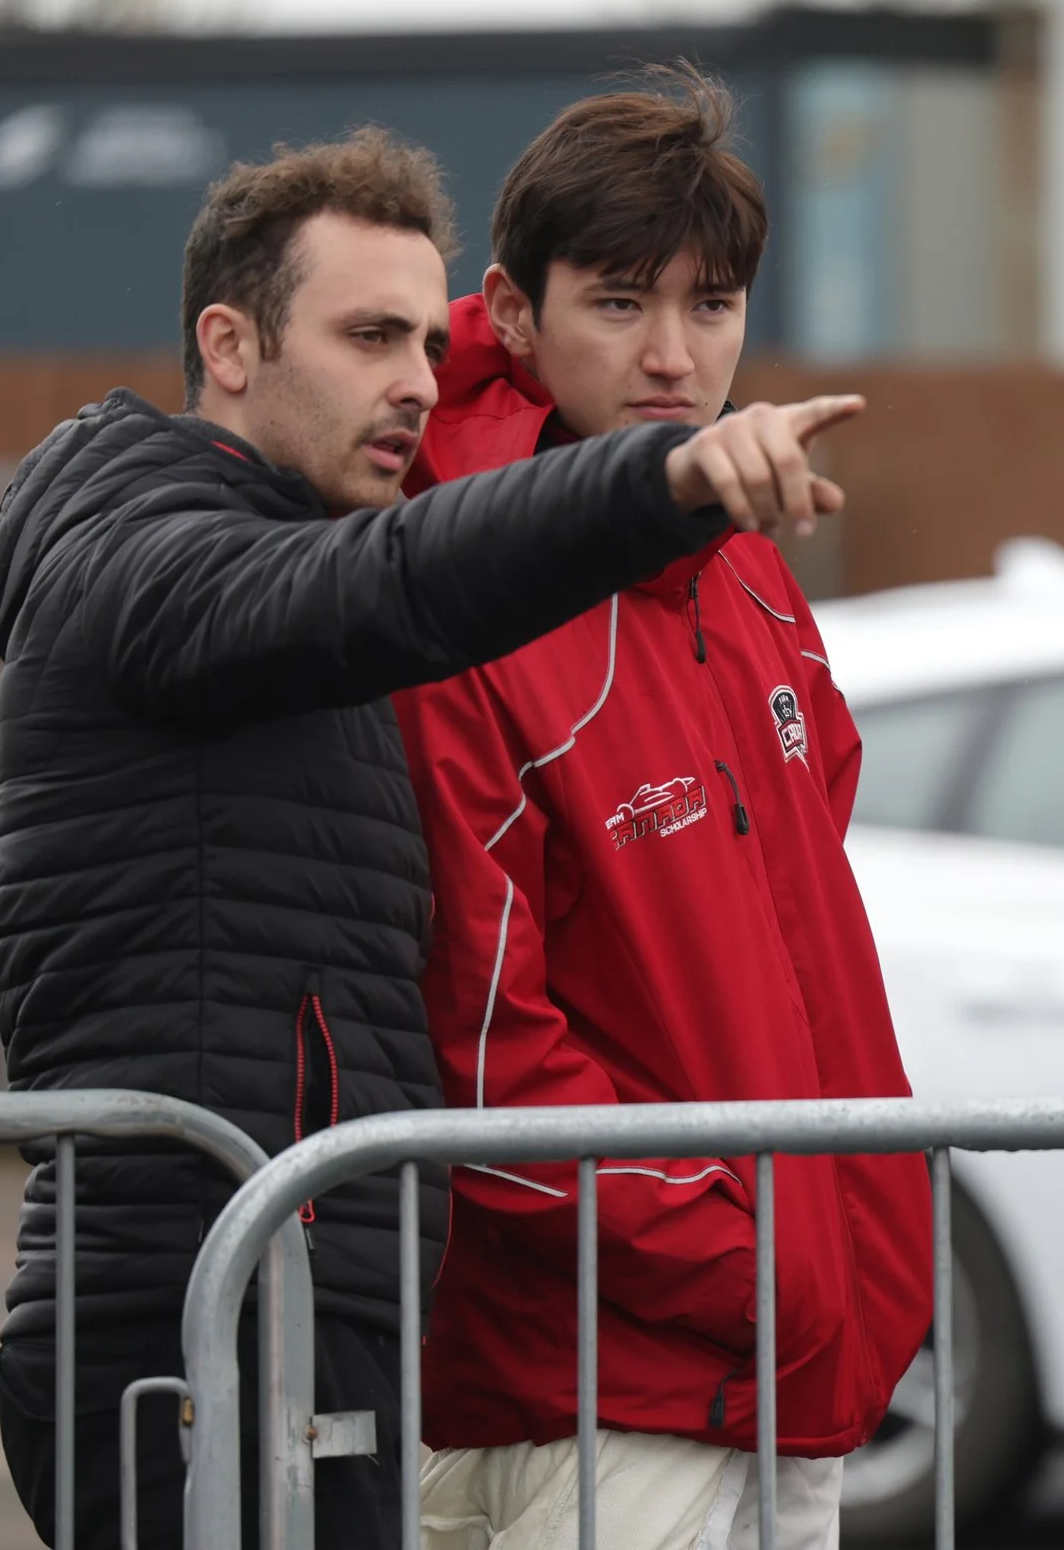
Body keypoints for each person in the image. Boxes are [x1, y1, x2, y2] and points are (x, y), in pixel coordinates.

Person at [0, 127, 857, 1549]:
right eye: (369, 336)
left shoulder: (276, 559)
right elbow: (390, 583)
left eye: (427, 345)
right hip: (193, 1322)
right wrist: (655, 483)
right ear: (229, 345)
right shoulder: (148, 555)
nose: (415, 383)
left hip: (315, 1311)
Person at [390, 78, 930, 1550]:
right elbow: (482, 1055)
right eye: (621, 303)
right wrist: (750, 1263)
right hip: (599, 1391)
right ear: (513, 312)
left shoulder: (743, 560)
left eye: (713, 304)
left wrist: (818, 1271)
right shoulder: (456, 598)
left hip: (784, 1361)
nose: (674, 356)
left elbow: (801, 913)